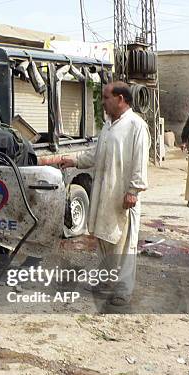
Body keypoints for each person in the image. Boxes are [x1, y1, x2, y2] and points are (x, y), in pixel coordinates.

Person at [51, 82, 149, 306]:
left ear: (121, 99)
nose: (102, 102)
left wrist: (133, 191)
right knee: (104, 238)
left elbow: (140, 163)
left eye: (106, 97)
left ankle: (123, 289)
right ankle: (107, 281)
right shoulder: (108, 126)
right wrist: (73, 160)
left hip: (124, 196)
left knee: (124, 243)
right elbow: (95, 154)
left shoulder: (136, 126)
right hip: (105, 193)